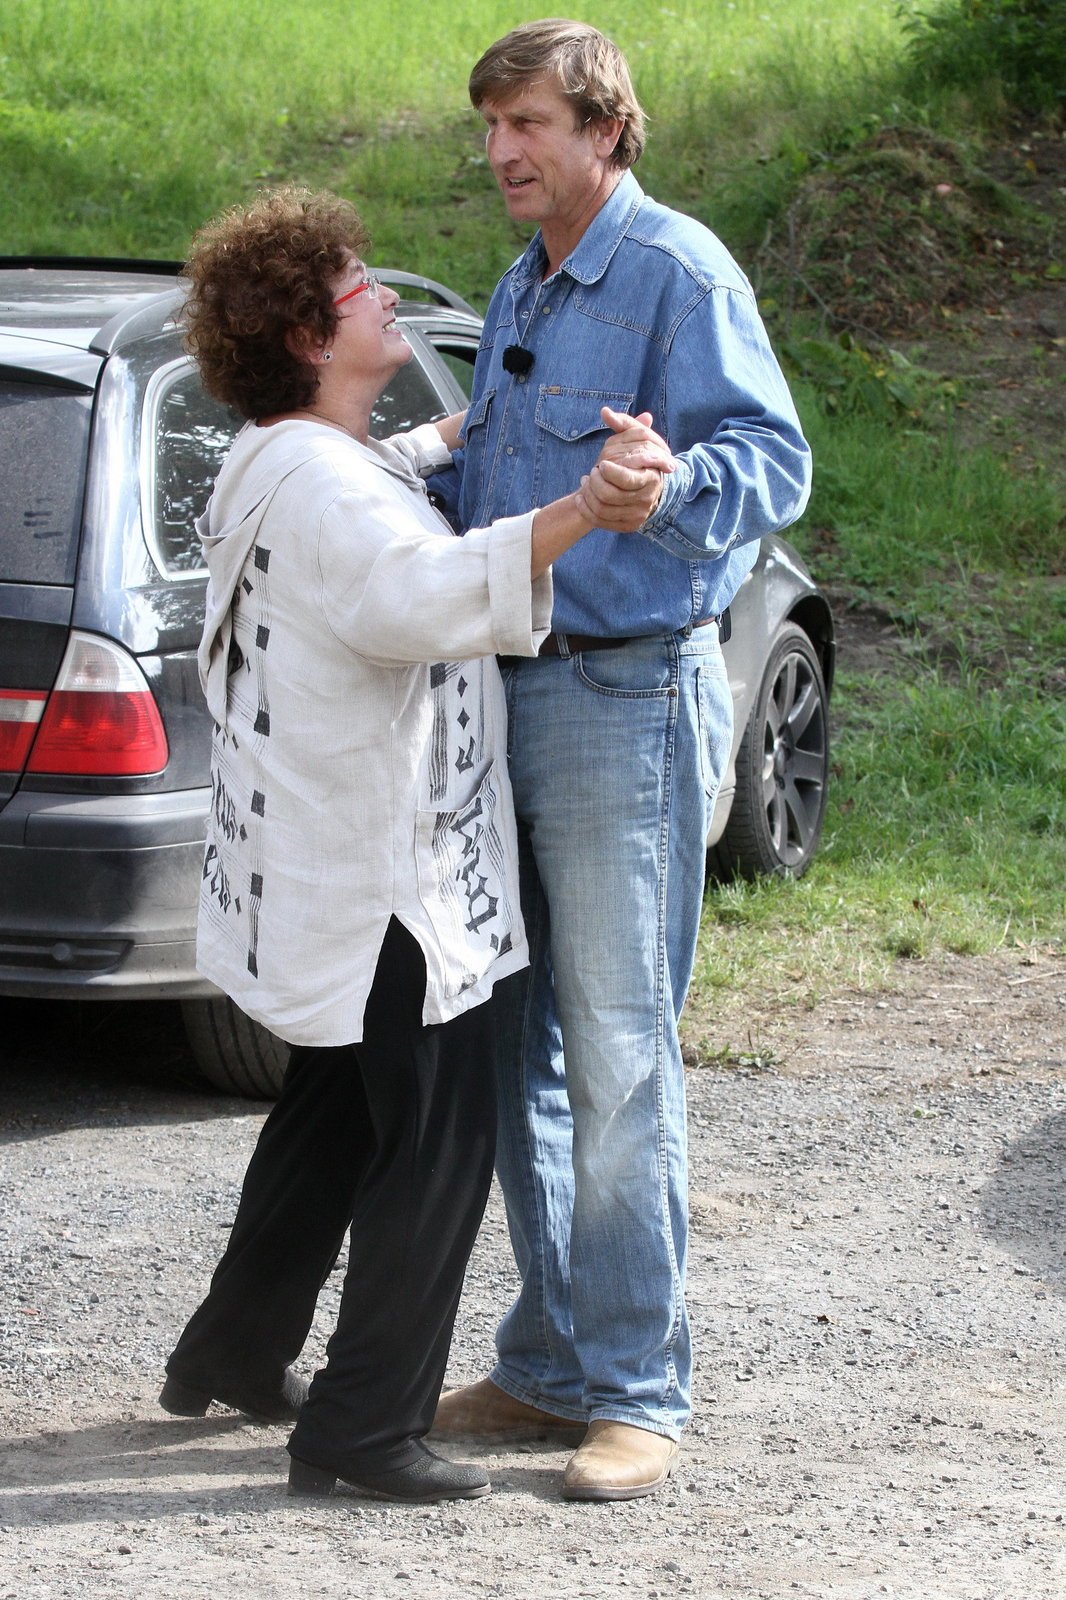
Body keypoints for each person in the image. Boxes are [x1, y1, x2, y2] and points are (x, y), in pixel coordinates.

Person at [158, 185, 668, 1505]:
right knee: (437, 1146)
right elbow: (414, 593)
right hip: (386, 882)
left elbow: (368, 487)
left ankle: (232, 1344)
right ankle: (361, 1430)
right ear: (306, 339)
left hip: (313, 865)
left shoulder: (281, 456)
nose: (382, 289)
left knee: (332, 1109)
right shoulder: (325, 489)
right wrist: (580, 513)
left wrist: (458, 432)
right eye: (353, 288)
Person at [430, 21, 813, 1501]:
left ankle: (638, 1394)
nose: (502, 152)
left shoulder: (675, 272)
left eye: (526, 122)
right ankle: (550, 1365)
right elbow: (500, 474)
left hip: (620, 702)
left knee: (615, 1054)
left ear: (603, 125)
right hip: (504, 698)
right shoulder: (530, 274)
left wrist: (668, 486)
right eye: (489, 126)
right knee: (515, 1051)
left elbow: (768, 465)